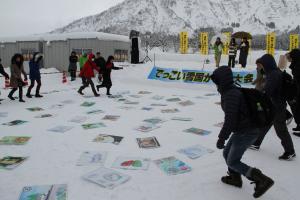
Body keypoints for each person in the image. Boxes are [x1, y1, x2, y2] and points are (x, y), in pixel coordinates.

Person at [211, 66, 274, 199]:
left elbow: (230, 120)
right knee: (226, 153)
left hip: (248, 131)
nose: (215, 83)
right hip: (242, 129)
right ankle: (235, 178)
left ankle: (262, 180)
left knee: (233, 161)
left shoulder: (231, 95)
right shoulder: (230, 90)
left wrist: (222, 138)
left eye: (216, 80)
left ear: (222, 80)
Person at [251, 54, 296, 160]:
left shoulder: (273, 74)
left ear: (267, 63)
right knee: (265, 124)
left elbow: (269, 91)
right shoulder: (274, 72)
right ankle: (256, 143)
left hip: (277, 106)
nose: (261, 66)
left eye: (262, 63)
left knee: (281, 130)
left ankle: (290, 151)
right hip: (274, 105)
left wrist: (261, 91)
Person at [286, 49, 300, 136]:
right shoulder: (296, 63)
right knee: (297, 107)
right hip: (297, 87)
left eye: (291, 56)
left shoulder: (298, 65)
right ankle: (299, 124)